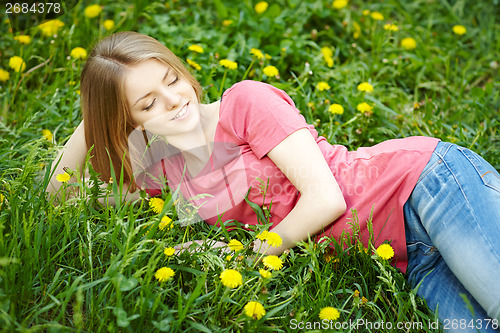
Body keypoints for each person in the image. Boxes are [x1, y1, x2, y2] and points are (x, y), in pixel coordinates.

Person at [46, 31, 500, 332]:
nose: (174, 100)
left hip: (427, 186)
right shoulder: (162, 174)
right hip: (410, 259)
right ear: (129, 120)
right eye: (148, 103)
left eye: (172, 80)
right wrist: (94, 120)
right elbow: (61, 196)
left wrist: (245, 253)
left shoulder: (245, 103)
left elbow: (327, 199)